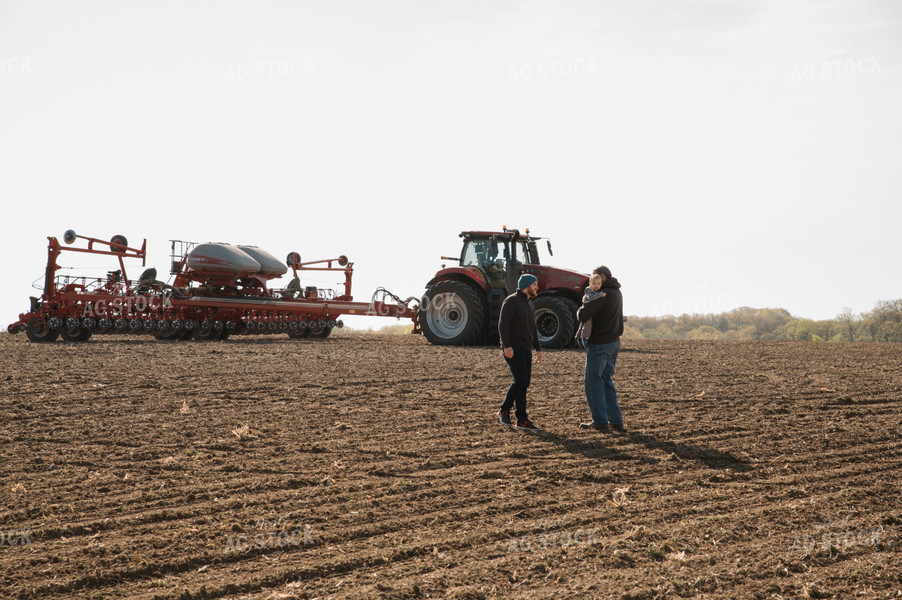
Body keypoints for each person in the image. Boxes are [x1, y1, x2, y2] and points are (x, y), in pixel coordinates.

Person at [576, 266, 624, 433]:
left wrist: (583, 306)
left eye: (597, 279)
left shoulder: (603, 295)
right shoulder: (617, 292)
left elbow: (582, 315)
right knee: (606, 380)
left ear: (603, 277)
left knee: (593, 382)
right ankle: (616, 420)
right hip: (614, 343)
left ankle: (600, 421)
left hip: (600, 344)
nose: (595, 282)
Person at [497, 274, 543, 431]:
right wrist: (507, 346)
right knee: (521, 380)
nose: (537, 287)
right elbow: (503, 325)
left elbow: (533, 329)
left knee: (524, 384)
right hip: (513, 348)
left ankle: (522, 420)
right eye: (535, 284)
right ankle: (504, 409)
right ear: (527, 285)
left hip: (526, 349)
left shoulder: (530, 304)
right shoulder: (511, 301)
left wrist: (537, 348)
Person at [574, 273, 605, 347]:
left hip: (589, 310)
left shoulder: (597, 291)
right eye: (594, 283)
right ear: (590, 284)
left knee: (582, 324)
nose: (596, 285)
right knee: (588, 324)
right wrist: (600, 295)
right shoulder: (589, 290)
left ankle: (578, 337)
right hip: (586, 310)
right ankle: (585, 338)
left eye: (598, 283)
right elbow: (591, 298)